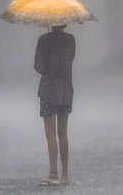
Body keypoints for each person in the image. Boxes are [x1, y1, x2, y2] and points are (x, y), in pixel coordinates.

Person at [34, 25, 75, 186]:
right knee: (63, 133)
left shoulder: (43, 40)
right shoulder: (71, 40)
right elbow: (69, 60)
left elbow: (39, 67)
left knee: (50, 134)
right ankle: (65, 175)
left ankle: (53, 174)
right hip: (65, 89)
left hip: (48, 90)